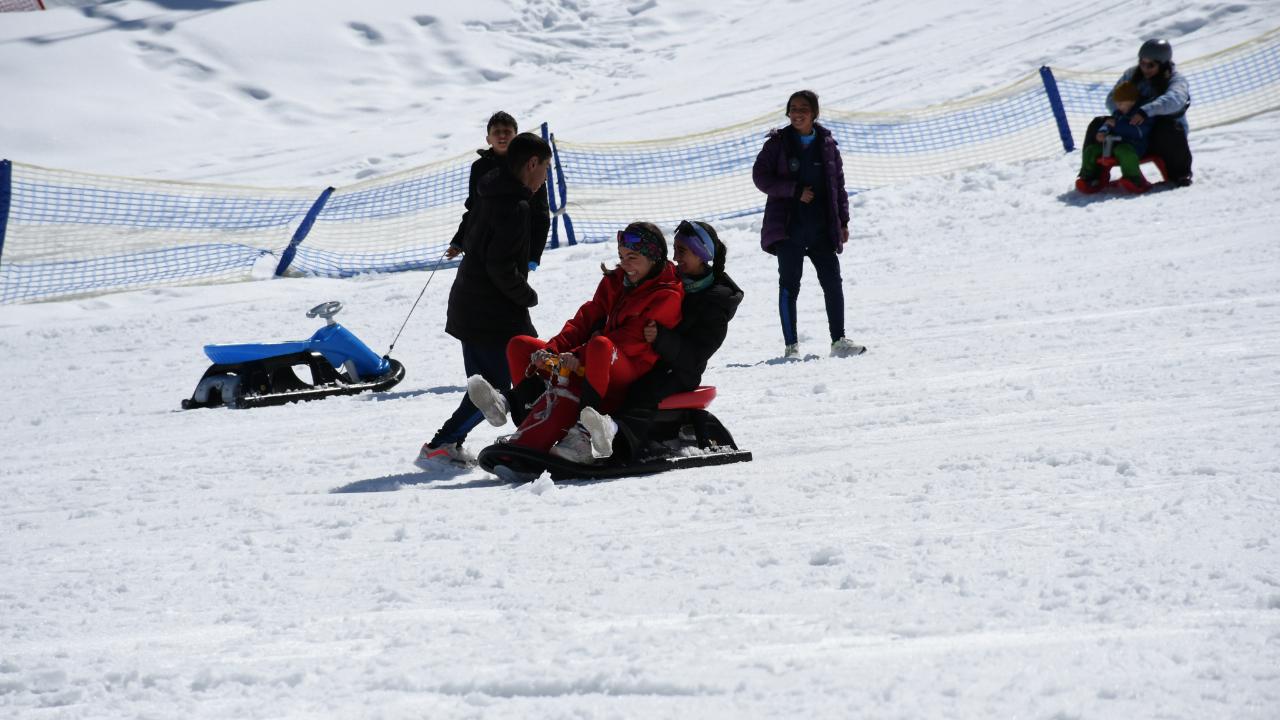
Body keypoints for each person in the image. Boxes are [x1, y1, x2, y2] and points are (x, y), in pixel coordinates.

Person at [466, 222, 683, 471]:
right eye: (622, 257)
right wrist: (552, 350)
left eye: (632, 257)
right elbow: (585, 320)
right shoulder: (616, 281)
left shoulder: (667, 294)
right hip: (597, 356)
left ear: (653, 257)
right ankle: (518, 408)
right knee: (520, 345)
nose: (625, 264)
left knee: (600, 345)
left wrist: (580, 356)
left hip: (631, 369)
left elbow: (630, 339)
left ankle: (583, 435)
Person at [418, 132, 552, 468]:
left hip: (470, 304)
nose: (546, 177)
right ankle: (537, 442)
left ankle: (443, 445)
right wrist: (527, 295)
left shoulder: (492, 191)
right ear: (532, 163)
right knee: (525, 377)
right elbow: (500, 266)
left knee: (487, 389)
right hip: (495, 311)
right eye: (546, 168)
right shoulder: (516, 206)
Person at [572, 220, 744, 464]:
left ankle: (618, 439)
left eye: (682, 251)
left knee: (641, 392)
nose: (674, 256)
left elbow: (697, 354)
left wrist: (662, 338)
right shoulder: (677, 281)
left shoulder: (716, 302)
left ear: (701, 253)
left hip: (681, 371)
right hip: (655, 359)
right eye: (674, 249)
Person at [752, 89, 865, 359]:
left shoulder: (827, 145)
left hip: (821, 228)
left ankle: (839, 341)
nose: (797, 113)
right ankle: (791, 347)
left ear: (814, 113)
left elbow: (838, 185)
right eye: (793, 108)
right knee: (790, 285)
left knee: (832, 282)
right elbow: (760, 177)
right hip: (788, 229)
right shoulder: (777, 144)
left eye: (803, 108)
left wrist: (843, 221)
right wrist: (793, 190)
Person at [1077, 39, 1193, 189]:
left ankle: (1180, 175)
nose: (1145, 68)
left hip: (1158, 138)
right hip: (1131, 132)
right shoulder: (1132, 74)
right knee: (1098, 123)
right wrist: (1122, 113)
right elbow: (1113, 97)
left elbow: (1175, 99)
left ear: (1163, 64)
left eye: (1150, 64)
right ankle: (1092, 175)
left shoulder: (1175, 79)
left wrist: (1145, 111)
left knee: (1169, 127)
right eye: (1142, 63)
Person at [447, 111, 552, 270]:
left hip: (517, 247)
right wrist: (459, 240)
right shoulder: (479, 167)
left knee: (510, 288)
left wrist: (534, 255)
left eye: (507, 131)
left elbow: (541, 213)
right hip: (482, 244)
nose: (502, 136)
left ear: (516, 136)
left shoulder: (530, 165)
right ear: (488, 139)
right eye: (496, 132)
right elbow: (474, 208)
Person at [1075, 82, 1155, 193]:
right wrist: (1102, 133)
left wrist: (1117, 126)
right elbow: (1108, 125)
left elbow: (1138, 132)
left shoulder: (1140, 114)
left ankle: (1134, 179)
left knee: (1123, 151)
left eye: (1121, 104)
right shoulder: (1118, 113)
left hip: (1134, 147)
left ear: (1131, 101)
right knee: (1091, 150)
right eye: (1117, 104)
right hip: (1113, 144)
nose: (1118, 107)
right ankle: (1089, 177)